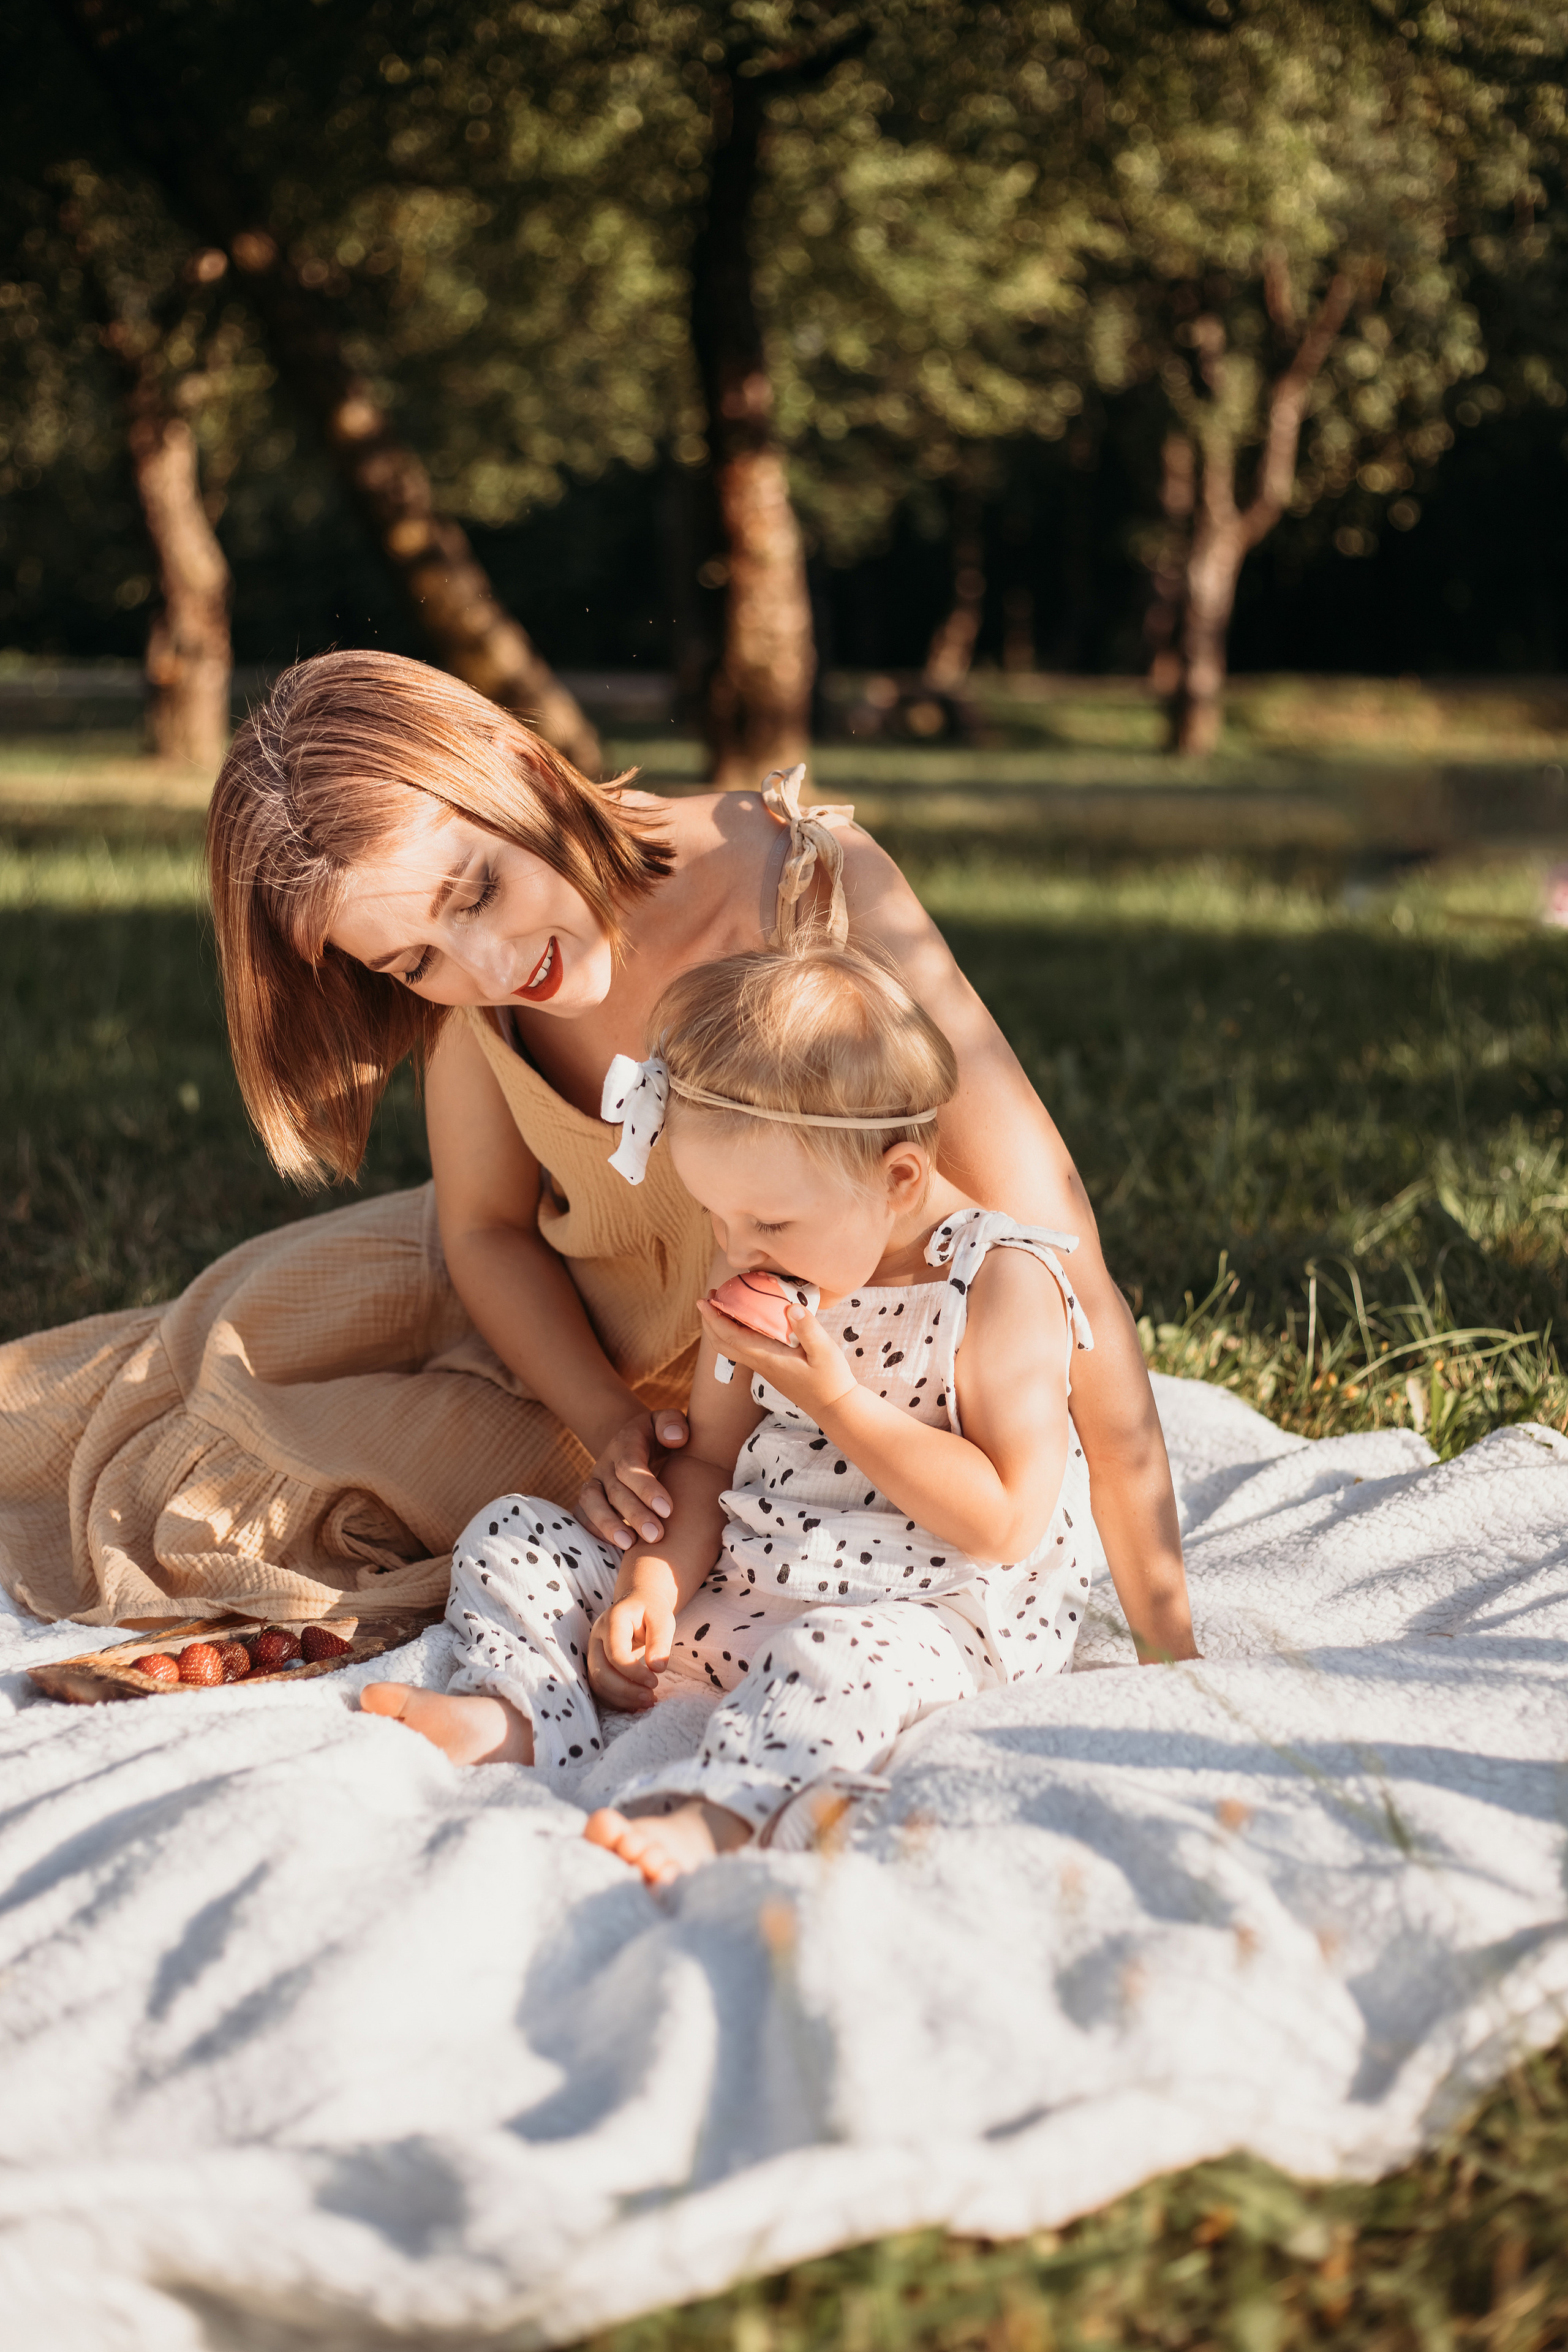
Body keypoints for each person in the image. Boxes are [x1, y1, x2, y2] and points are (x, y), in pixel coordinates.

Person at [0, 649, 1186, 1642]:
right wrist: (605, 1418)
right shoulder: (477, 992)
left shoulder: (804, 888)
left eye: (473, 893)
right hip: (542, 1320)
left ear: (516, 768)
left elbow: (1055, 1243)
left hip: (707, 1389)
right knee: (170, 1360)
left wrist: (1163, 1625)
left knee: (214, 1498)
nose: (484, 971)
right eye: (413, 962)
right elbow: (481, 1229)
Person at [361, 944, 1198, 1882]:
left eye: (769, 1225)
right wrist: (654, 1585)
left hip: (923, 1611)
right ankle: (517, 1711)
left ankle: (728, 1808)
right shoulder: (761, 1262)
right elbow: (711, 1462)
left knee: (836, 1661)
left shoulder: (999, 1284)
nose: (738, 1252)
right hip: (749, 1573)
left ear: (900, 1181)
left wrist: (835, 1400)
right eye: (717, 1217)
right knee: (515, 1530)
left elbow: (1003, 1523)